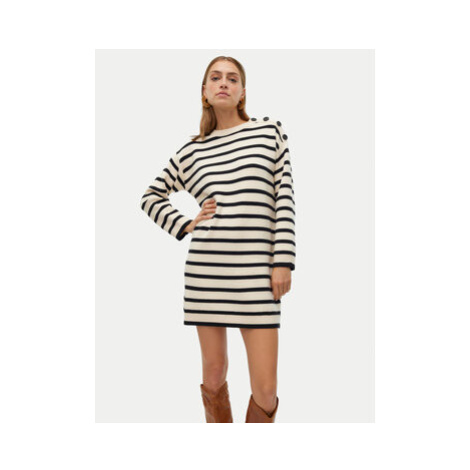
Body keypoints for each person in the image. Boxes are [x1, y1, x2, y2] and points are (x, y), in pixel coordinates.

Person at [139, 56, 296, 423]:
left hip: (257, 274)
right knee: (213, 373)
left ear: (242, 92)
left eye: (232, 78)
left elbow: (284, 199)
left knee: (266, 389)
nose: (224, 82)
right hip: (206, 274)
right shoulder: (191, 151)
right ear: (205, 91)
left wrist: (283, 261)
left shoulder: (268, 132)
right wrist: (186, 224)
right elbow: (150, 197)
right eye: (215, 77)